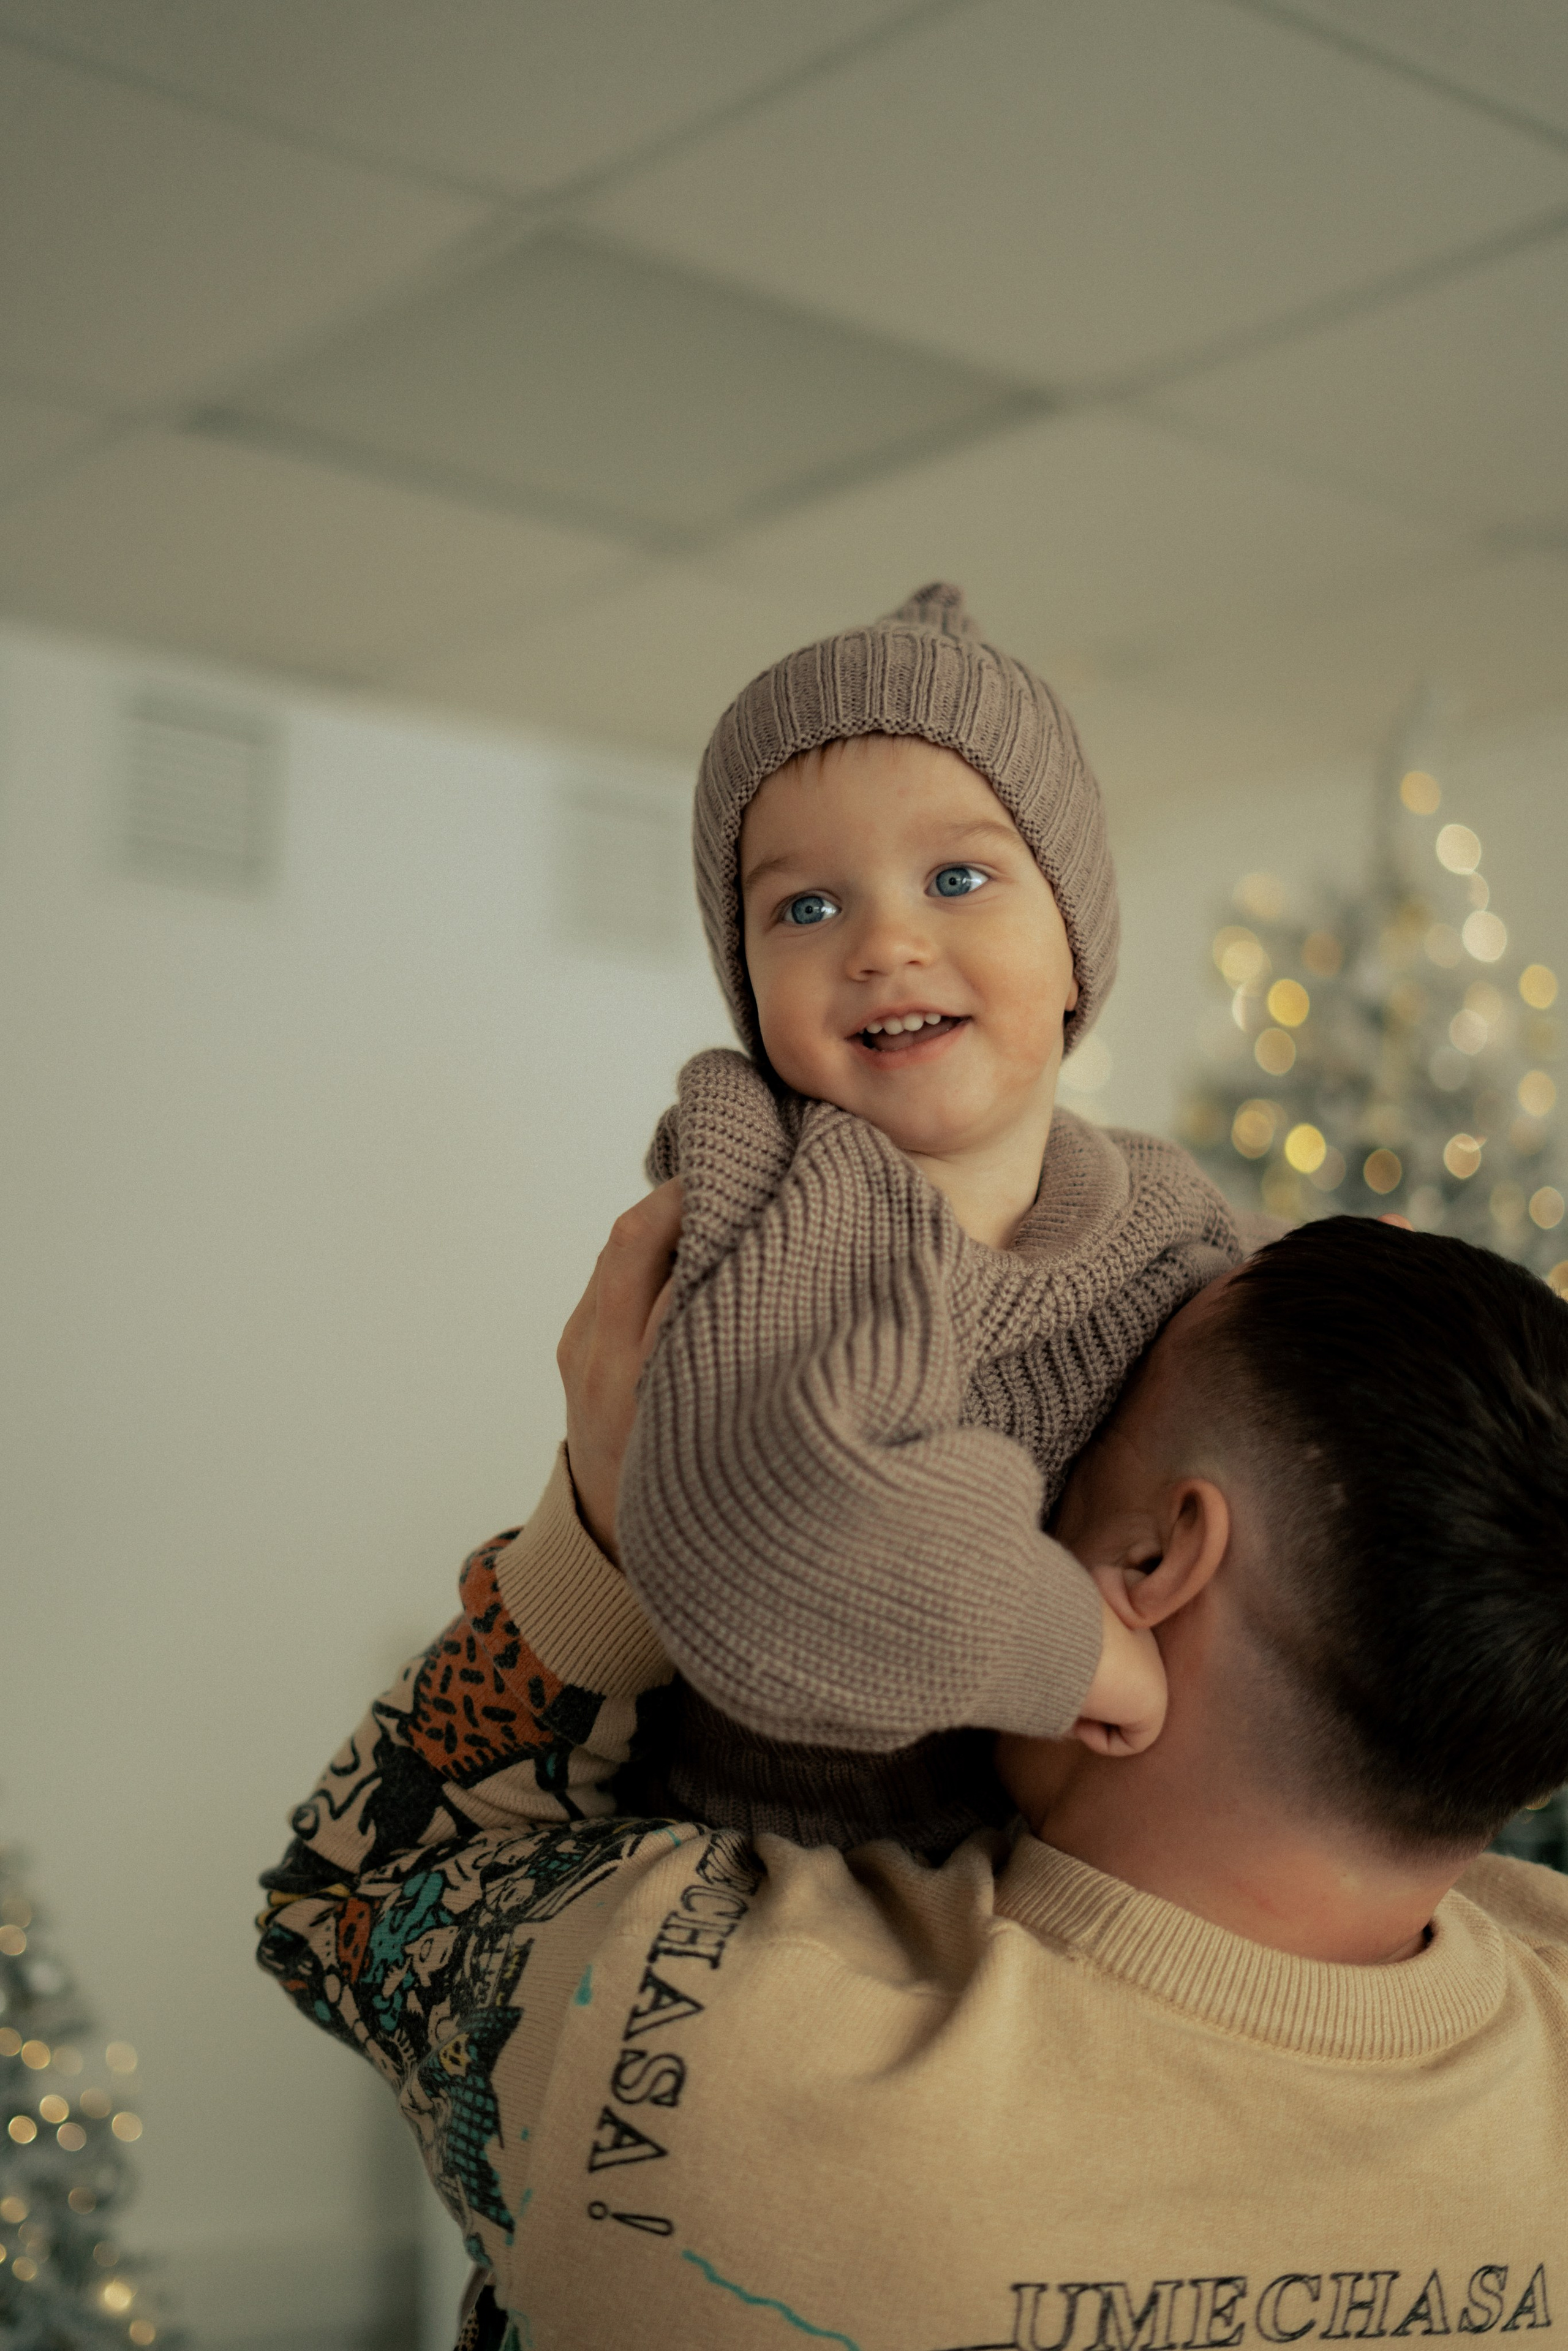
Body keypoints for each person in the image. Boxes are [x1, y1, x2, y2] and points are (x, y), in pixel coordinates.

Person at [259, 1213, 1568, 2351]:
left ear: (1160, 1554)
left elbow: (352, 1897)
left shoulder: (719, 2046)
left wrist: (608, 1524)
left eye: (1081, 1431)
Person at [612, 581, 1248, 1849]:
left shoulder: (1170, 1219)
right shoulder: (771, 1175)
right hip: (792, 1870)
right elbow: (768, 1527)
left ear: (1076, 939)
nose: (884, 941)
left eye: (956, 876)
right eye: (804, 905)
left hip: (1081, 1852)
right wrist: (1080, 1654)